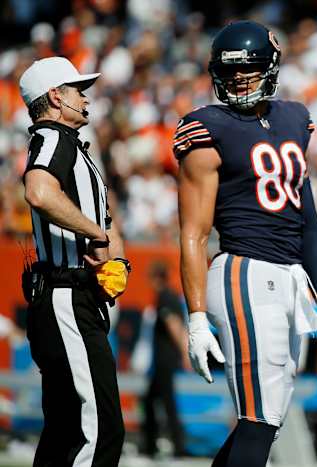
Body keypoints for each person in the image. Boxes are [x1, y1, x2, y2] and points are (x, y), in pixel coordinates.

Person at [174, 21, 317, 467]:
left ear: (270, 67)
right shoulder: (205, 127)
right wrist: (195, 317)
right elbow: (193, 232)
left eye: (248, 70)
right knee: (261, 416)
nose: (237, 81)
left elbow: (308, 219)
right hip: (244, 271)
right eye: (229, 73)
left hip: (290, 276)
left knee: (269, 416)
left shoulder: (293, 117)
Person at [20, 56, 130, 466]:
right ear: (54, 96)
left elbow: (102, 223)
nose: (84, 98)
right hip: (64, 296)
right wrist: (98, 235)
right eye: (76, 90)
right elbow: (40, 193)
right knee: (97, 430)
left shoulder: (73, 148)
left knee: (66, 430)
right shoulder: (52, 138)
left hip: (73, 295)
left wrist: (114, 260)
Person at [141, 261, 190, 458]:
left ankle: (176, 446)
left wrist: (185, 354)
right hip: (166, 359)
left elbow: (174, 326)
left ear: (157, 278)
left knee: (166, 403)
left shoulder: (165, 297)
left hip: (164, 359)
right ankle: (155, 444)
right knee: (152, 400)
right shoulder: (171, 296)